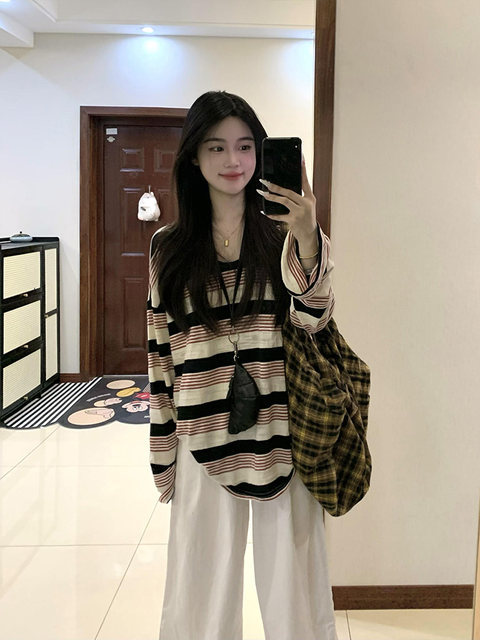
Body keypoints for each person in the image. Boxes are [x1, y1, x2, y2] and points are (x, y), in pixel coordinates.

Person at [147, 90, 337, 640]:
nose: (233, 161)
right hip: (201, 432)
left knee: (296, 596)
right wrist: (163, 453)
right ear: (194, 157)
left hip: (282, 432)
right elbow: (161, 354)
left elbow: (315, 320)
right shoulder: (168, 247)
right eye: (216, 147)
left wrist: (308, 236)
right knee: (198, 596)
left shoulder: (283, 237)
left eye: (245, 146)